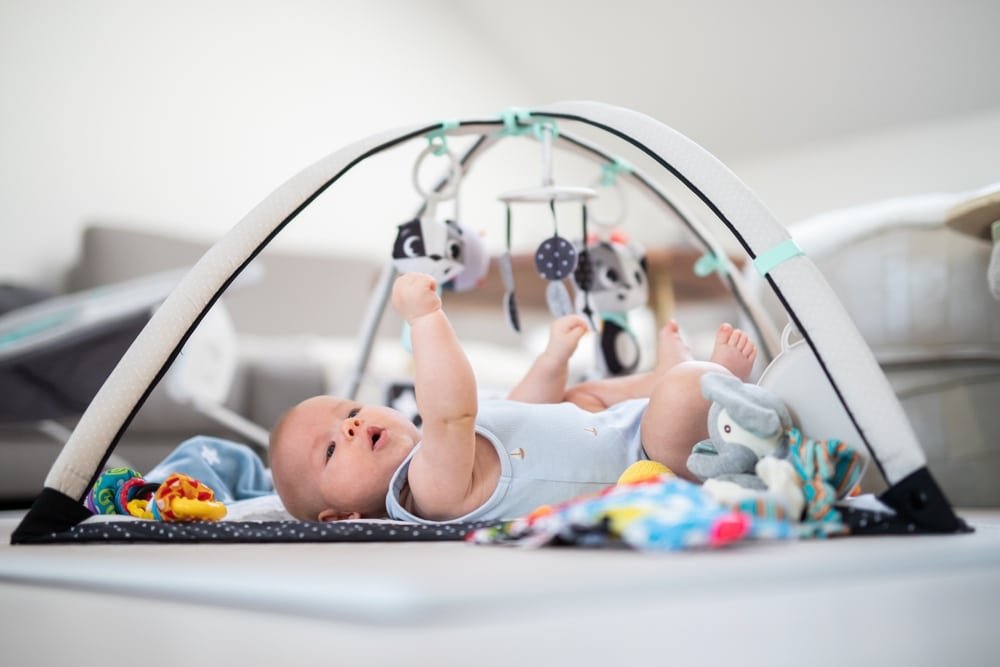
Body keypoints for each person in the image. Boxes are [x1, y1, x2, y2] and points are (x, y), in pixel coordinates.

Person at [269, 271, 756, 524]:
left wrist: (551, 361)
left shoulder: (445, 452)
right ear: (344, 517)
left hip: (617, 424)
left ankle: (664, 378)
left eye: (350, 411)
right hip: (648, 459)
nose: (351, 426)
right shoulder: (429, 490)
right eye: (331, 449)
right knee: (678, 397)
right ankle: (711, 383)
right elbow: (449, 412)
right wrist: (424, 320)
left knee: (578, 393)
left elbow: (524, 407)